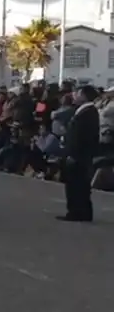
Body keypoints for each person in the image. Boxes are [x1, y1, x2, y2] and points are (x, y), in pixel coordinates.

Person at [58, 85, 100, 222]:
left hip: (79, 155)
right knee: (75, 184)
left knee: (78, 185)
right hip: (76, 153)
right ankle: (78, 211)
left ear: (84, 95)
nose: (74, 95)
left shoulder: (89, 112)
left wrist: (73, 153)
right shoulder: (81, 111)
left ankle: (78, 212)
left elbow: (83, 136)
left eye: (77, 93)